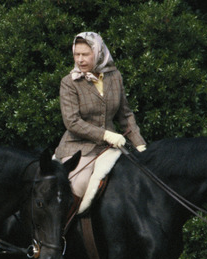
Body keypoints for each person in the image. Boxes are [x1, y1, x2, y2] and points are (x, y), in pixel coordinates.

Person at [55, 31, 146, 213]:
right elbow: (72, 122)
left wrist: (140, 145)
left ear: (98, 53)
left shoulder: (114, 77)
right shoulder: (69, 83)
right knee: (78, 184)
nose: (80, 60)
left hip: (109, 148)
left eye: (85, 54)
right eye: (76, 54)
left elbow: (125, 114)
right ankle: (64, 234)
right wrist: (105, 134)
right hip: (78, 147)